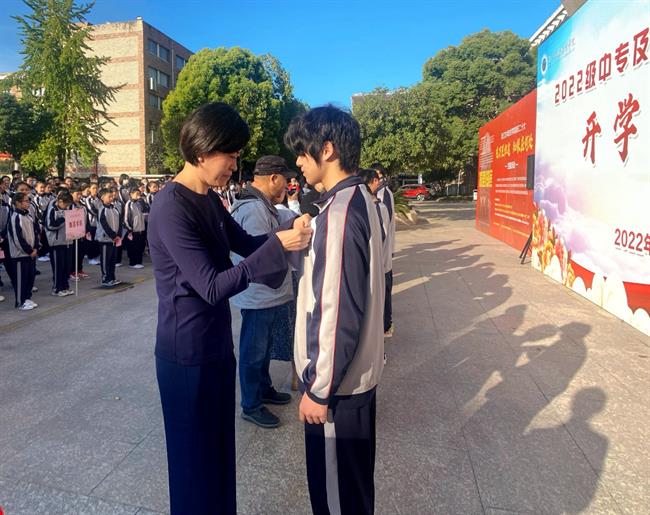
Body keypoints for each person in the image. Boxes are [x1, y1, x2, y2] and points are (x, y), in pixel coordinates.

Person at [147, 102, 312, 515]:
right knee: (194, 462)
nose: (235, 166)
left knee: (219, 451)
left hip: (216, 344)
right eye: (231, 156)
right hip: (186, 352)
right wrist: (277, 246)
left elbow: (250, 245)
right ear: (203, 151)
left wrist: (288, 230)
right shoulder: (171, 206)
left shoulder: (209, 200)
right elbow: (210, 286)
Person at [285, 105, 385, 515]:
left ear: (326, 150)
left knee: (336, 499)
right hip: (353, 380)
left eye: (302, 152)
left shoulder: (340, 215)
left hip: (336, 390)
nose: (298, 162)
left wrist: (318, 389)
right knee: (353, 492)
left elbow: (337, 311)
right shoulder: (361, 200)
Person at [230, 155, 298, 429]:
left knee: (264, 347)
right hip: (259, 293)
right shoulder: (254, 209)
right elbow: (260, 255)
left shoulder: (262, 204)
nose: (288, 186)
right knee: (254, 350)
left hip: (266, 292)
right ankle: (251, 404)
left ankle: (263, 388)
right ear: (273, 178)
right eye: (285, 180)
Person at [371, 163, 396, 338]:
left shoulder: (383, 196)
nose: (376, 180)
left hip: (383, 254)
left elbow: (382, 230)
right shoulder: (380, 194)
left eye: (378, 176)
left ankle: (386, 325)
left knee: (385, 290)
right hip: (383, 254)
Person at [7, 192, 39, 310]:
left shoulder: (28, 215)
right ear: (18, 203)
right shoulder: (15, 217)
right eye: (25, 201)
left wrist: (35, 247)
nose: (28, 203)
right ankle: (20, 301)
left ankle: (27, 298)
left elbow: (35, 232)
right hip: (20, 255)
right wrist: (29, 250)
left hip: (31, 253)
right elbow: (17, 238)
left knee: (30, 277)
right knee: (21, 279)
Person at [44, 191, 74, 297]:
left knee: (66, 266)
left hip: (67, 241)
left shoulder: (67, 209)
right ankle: (57, 288)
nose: (67, 206)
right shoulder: (52, 209)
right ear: (60, 201)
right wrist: (64, 219)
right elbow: (50, 226)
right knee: (58, 267)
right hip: (56, 242)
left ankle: (65, 286)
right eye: (66, 204)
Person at [96, 188, 122, 287]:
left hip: (115, 239)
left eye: (112, 196)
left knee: (112, 260)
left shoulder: (115, 208)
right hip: (105, 239)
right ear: (102, 197)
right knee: (105, 260)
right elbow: (104, 225)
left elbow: (119, 222)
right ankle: (106, 278)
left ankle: (112, 277)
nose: (111, 198)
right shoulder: (102, 209)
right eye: (109, 197)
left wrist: (119, 234)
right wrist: (113, 235)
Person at [123, 186, 147, 269]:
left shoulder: (139, 203)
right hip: (133, 230)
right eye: (136, 194)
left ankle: (139, 262)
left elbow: (145, 210)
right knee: (133, 247)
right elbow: (126, 218)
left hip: (141, 229)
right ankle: (133, 263)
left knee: (140, 246)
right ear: (131, 194)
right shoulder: (129, 204)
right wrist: (130, 229)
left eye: (139, 194)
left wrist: (142, 201)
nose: (138, 196)